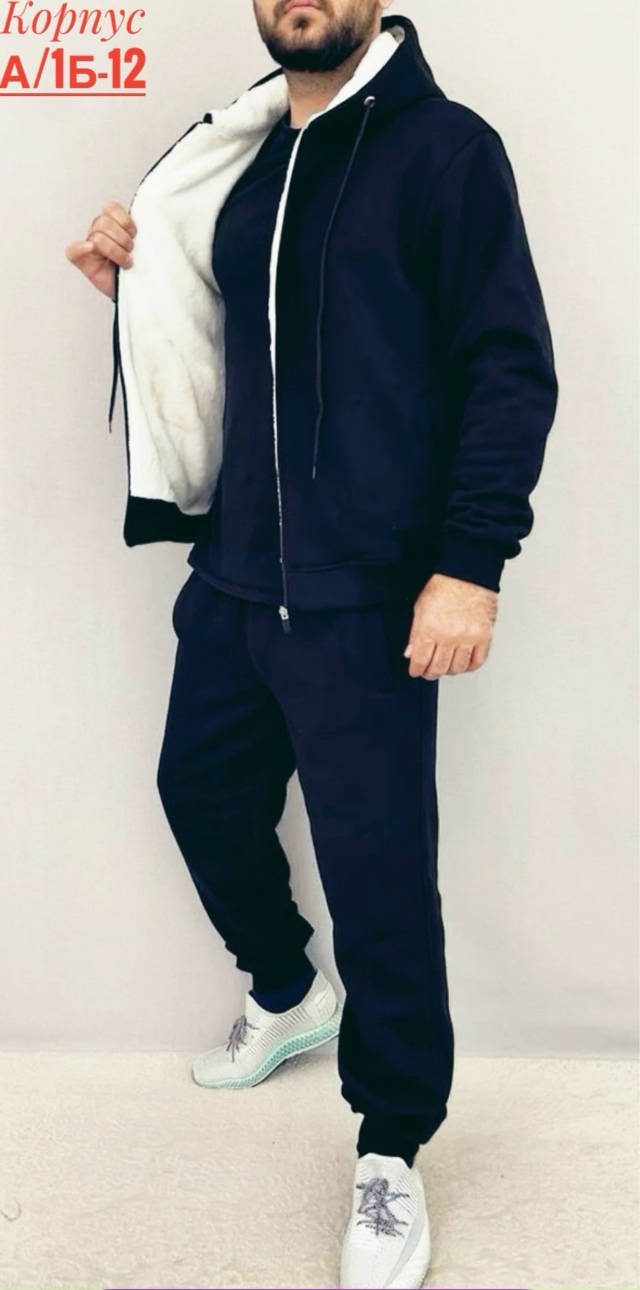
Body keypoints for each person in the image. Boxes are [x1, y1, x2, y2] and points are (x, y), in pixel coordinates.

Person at [65, 3, 559, 1285]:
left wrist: (470, 565)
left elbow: (507, 366)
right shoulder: (242, 158)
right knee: (197, 793)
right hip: (235, 574)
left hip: (365, 595)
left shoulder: (445, 151)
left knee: (378, 879)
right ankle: (289, 995)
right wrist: (137, 277)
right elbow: (236, 334)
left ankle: (391, 1145)